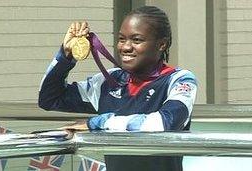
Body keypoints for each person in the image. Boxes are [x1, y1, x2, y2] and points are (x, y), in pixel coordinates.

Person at [39, 5, 197, 171]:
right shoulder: (110, 80)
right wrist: (65, 55)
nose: (126, 47)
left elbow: (165, 123)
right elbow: (50, 99)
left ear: (162, 44)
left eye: (137, 40)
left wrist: (98, 122)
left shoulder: (179, 79)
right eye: (122, 39)